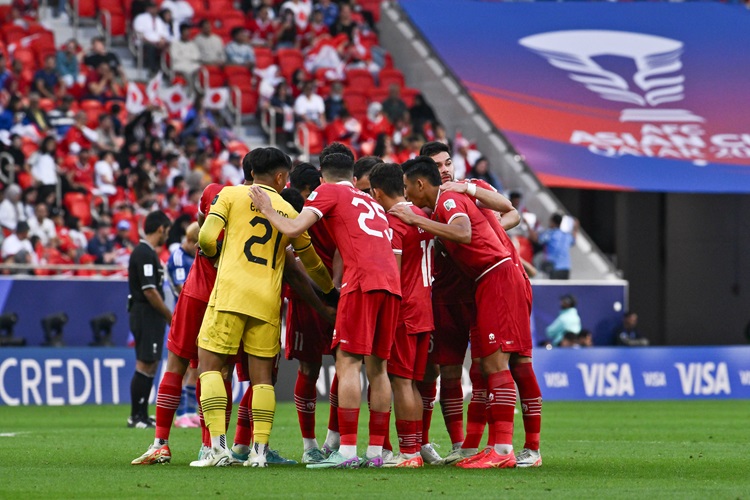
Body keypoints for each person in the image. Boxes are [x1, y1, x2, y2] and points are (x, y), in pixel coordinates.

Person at [248, 150, 401, 469]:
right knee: (379, 368)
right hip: (391, 283)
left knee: (347, 361)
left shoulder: (328, 191)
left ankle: (345, 452)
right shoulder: (369, 199)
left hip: (361, 283)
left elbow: (293, 229)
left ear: (322, 174)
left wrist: (266, 208)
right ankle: (375, 454)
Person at [191, 147, 335, 468]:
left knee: (210, 366)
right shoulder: (287, 209)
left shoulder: (229, 195)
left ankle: (217, 447)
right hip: (267, 299)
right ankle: (258, 452)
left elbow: (205, 236)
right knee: (262, 379)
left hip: (230, 293)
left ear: (251, 170)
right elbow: (310, 262)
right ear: (282, 177)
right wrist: (329, 290)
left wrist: (217, 256)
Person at [390, 156, 532, 469]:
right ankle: (496, 446)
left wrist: (417, 221)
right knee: (491, 364)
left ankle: (504, 449)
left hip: (496, 276)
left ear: (420, 184)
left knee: (496, 363)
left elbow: (464, 232)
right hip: (488, 279)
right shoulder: (447, 202)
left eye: (406, 187)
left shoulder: (449, 200)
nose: (406, 195)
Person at [368, 162, 434, 468]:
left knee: (401, 382)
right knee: (413, 383)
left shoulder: (394, 223)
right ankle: (415, 448)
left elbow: (391, 273)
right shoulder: (423, 215)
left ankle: (408, 454)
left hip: (404, 311)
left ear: (376, 192)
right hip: (425, 309)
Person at [127, 210, 172, 429]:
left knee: (151, 363)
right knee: (144, 363)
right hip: (145, 313)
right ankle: (136, 416)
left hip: (149, 314)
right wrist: (169, 316)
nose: (167, 235)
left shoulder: (148, 253)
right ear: (160, 228)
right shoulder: (144, 253)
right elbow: (150, 291)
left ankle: (142, 415)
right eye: (167, 230)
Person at [165, 222, 199, 428]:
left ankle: (190, 410)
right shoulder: (178, 256)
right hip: (184, 313)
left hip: (197, 313)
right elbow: (179, 286)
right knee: (183, 366)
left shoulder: (194, 256)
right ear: (189, 241)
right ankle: (180, 414)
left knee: (196, 365)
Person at [529, 213, 578, 280]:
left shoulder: (550, 234)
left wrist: (528, 225)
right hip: (566, 268)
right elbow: (574, 240)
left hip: (554, 268)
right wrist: (575, 228)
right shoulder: (566, 235)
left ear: (552, 222)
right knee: (563, 290)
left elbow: (536, 239)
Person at [133, 2, 171, 76]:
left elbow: (164, 33)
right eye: (153, 8)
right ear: (148, 9)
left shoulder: (158, 20)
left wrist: (162, 40)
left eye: (156, 8)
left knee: (169, 47)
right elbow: (139, 33)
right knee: (151, 47)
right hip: (144, 42)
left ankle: (166, 71)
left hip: (158, 42)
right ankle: (152, 70)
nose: (155, 10)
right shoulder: (140, 18)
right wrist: (151, 42)